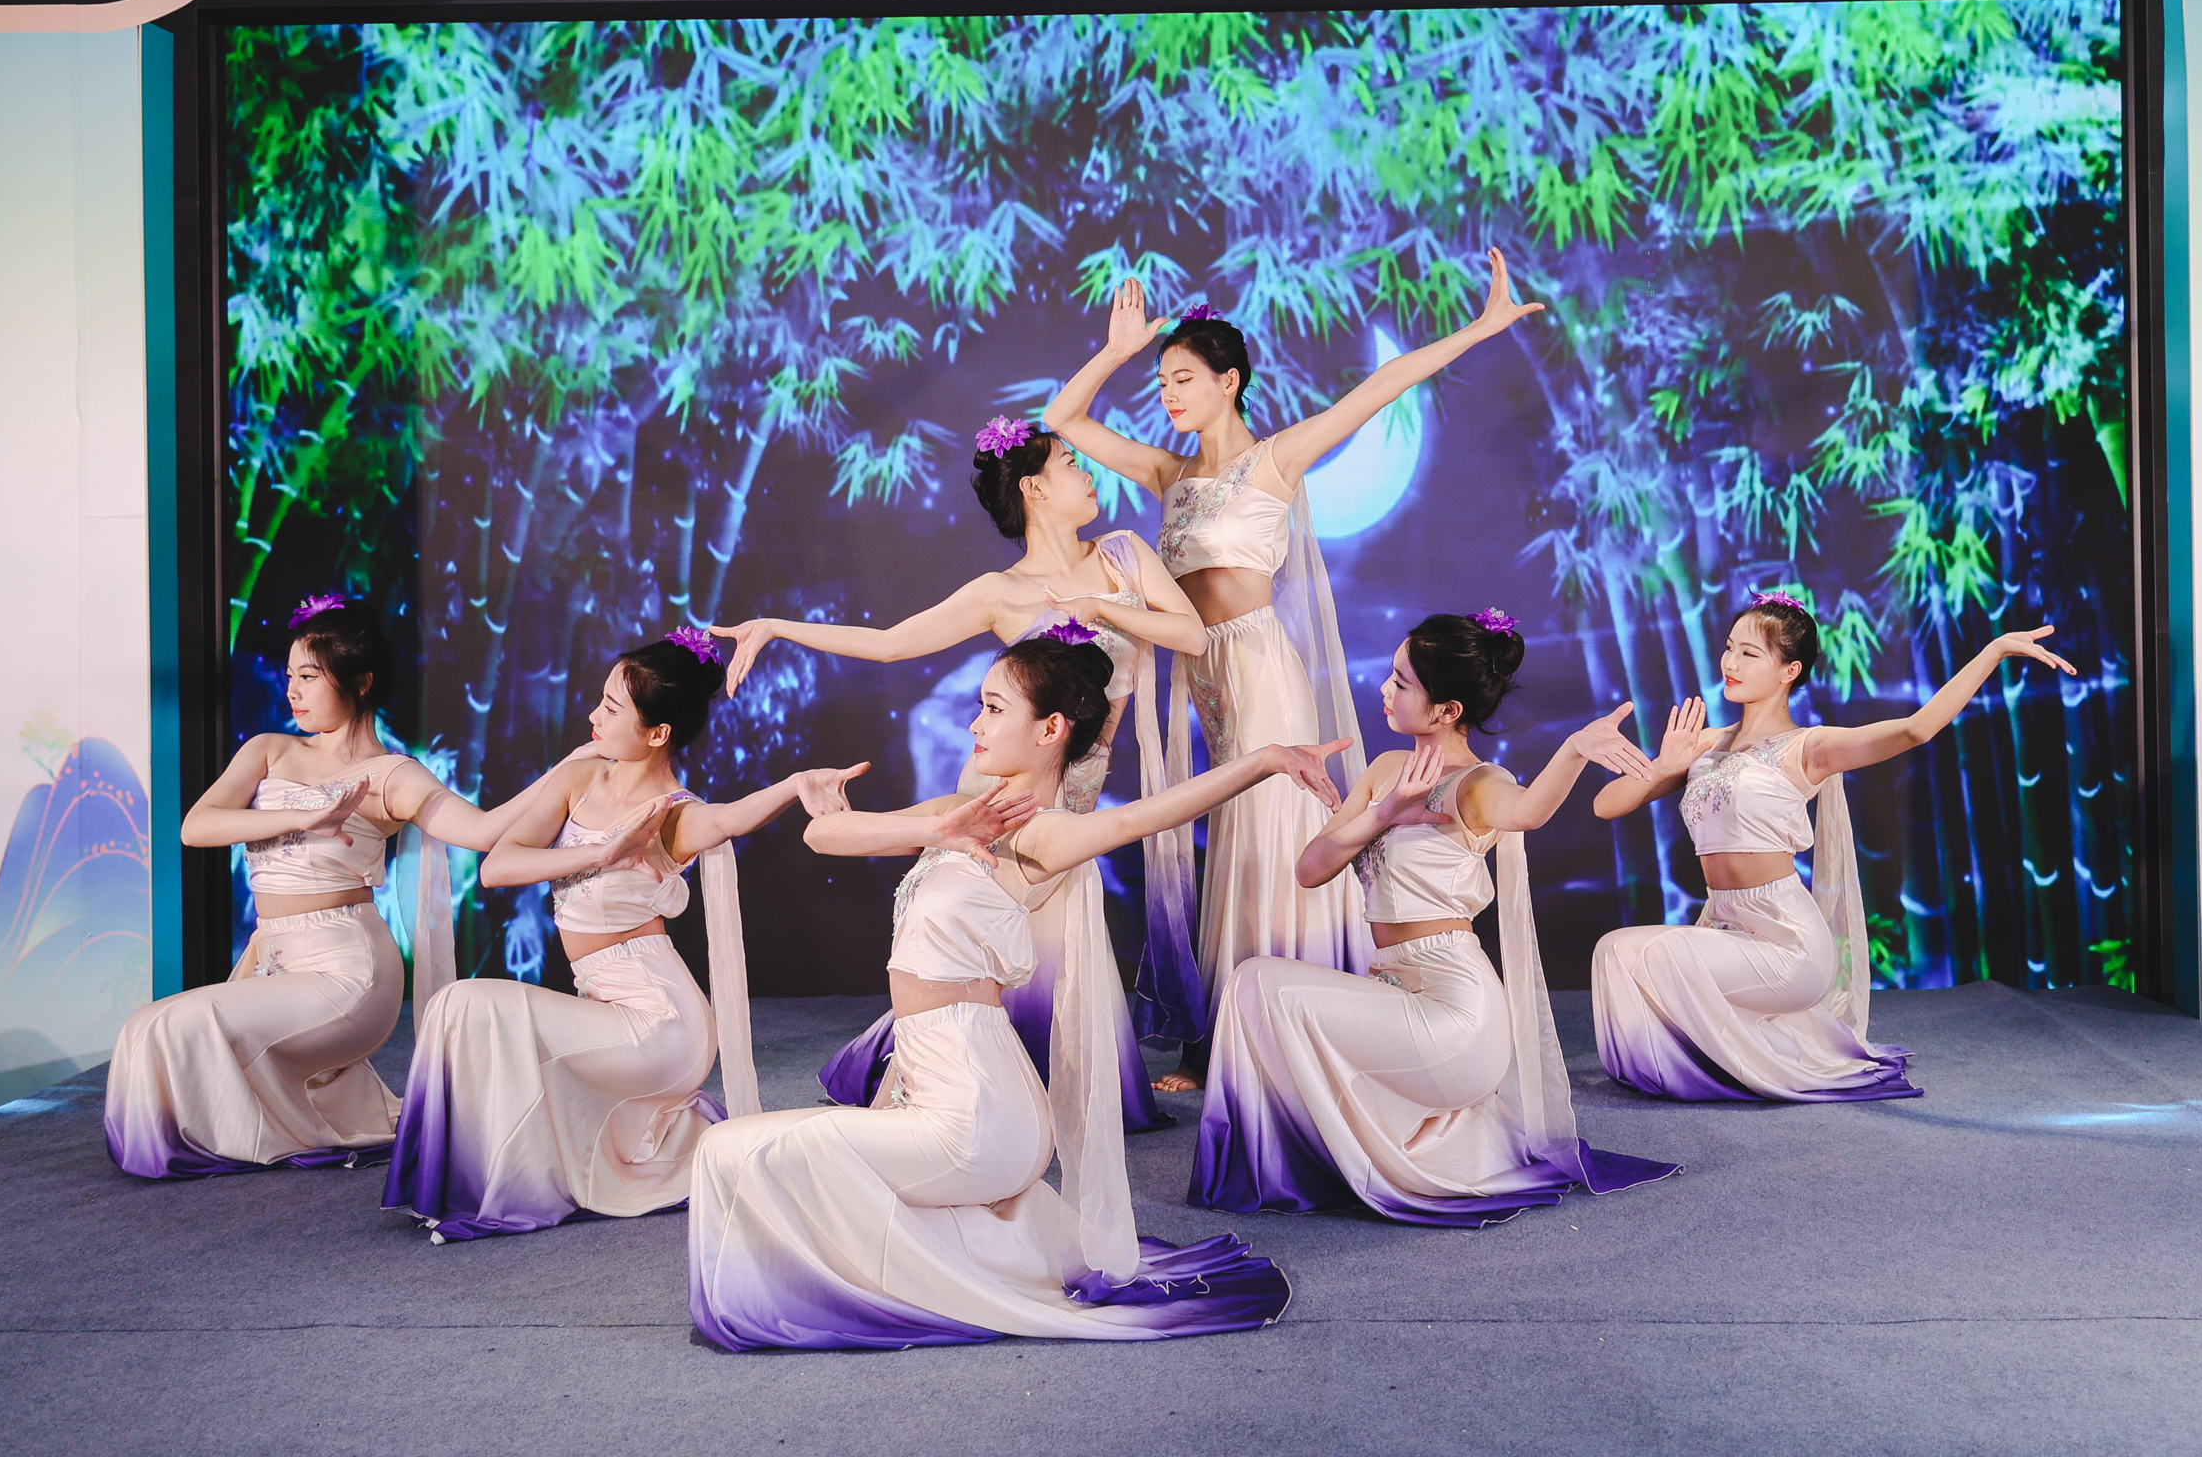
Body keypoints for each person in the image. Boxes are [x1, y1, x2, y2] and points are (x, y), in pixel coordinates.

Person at [684, 635, 1322, 1351]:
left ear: (1050, 729)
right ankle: (835, 1293)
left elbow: (1139, 818)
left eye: (993, 708)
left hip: (978, 1113)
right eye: (979, 707)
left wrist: (1264, 761)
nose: (974, 725)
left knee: (732, 1153)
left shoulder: (1042, 835)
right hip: (942, 1090)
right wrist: (936, 828)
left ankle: (802, 1309)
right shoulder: (962, 811)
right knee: (734, 1154)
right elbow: (825, 835)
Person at [1043, 253, 1544, 1086]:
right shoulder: (1170, 473)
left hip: (1260, 670)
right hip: (1205, 677)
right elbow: (1063, 417)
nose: (1168, 394)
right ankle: (1236, 1028)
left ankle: (1268, 1034)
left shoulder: (1274, 460)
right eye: (1161, 382)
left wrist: (1482, 328)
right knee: (1230, 839)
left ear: (1229, 381)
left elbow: (1381, 387)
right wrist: (1116, 351)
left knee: (1269, 834)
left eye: (1182, 378)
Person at [712, 416, 1203, 1115]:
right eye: (1071, 463)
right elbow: (889, 643)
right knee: (987, 941)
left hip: (1075, 789)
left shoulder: (1123, 556)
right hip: (999, 794)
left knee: (1053, 944)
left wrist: (1098, 605)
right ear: (1035, 487)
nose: (1088, 473)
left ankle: (1038, 1092)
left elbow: (1192, 635)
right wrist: (775, 627)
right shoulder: (999, 592)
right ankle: (954, 1085)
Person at [1191, 610, 1677, 1224]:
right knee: (1255, 985)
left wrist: (1574, 750)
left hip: (1456, 1014)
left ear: (1447, 709)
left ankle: (1281, 1170)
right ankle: (1289, 1163)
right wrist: (1385, 812)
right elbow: (1311, 869)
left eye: (1401, 682)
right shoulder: (1386, 771)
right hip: (1395, 988)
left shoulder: (1477, 783)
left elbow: (1528, 811)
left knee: (1261, 983)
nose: (1384, 689)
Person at [384, 632, 860, 1240]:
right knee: (460, 1009)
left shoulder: (672, 813)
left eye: (612, 709)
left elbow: (728, 818)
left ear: (657, 733)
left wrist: (794, 785)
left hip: (661, 1025)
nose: (594, 716)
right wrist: (604, 853)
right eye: (601, 700)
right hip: (603, 1006)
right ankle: (470, 1182)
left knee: (465, 1004)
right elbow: (497, 867)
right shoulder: (579, 777)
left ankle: (481, 1190)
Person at [1590, 593, 2077, 1102]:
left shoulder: (1810, 747)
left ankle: (1700, 1078)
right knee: (1614, 950)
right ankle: (1666, 1072)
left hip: (1787, 942)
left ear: (1790, 671)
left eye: (1749, 654)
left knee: (1663, 953)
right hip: (1723, 926)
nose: (1730, 663)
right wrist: (1664, 766)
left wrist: (1994, 652)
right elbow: (1606, 806)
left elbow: (1916, 729)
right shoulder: (1705, 744)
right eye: (1730, 648)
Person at [104, 596, 516, 1178]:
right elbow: (196, 827)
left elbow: (483, 830)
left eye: (309, 677)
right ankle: (233, 1134)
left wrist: (568, 773)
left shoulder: (391, 775)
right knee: (143, 1027)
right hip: (275, 954)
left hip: (349, 968)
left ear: (360, 682)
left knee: (170, 1029)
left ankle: (196, 1149)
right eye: (290, 675)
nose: (292, 690)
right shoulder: (271, 750)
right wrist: (303, 817)